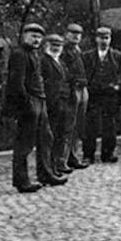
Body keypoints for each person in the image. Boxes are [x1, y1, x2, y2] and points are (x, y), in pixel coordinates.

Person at [4, 23, 67, 193]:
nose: (36, 40)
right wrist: (27, 104)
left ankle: (45, 174)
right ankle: (21, 180)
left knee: (46, 138)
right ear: (24, 36)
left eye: (39, 37)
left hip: (40, 100)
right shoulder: (19, 54)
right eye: (33, 36)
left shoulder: (34, 54)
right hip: (29, 103)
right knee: (24, 144)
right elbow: (17, 84)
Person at [81, 27, 121, 164]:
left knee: (110, 125)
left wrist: (118, 84)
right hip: (94, 95)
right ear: (96, 39)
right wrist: (87, 86)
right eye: (101, 38)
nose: (104, 41)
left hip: (111, 96)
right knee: (90, 125)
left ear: (110, 39)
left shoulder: (117, 56)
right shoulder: (87, 56)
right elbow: (82, 74)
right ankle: (88, 155)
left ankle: (108, 154)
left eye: (106, 38)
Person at [39, 33, 75, 177]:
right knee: (50, 137)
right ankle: (49, 168)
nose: (56, 48)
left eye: (59, 46)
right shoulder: (43, 61)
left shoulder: (61, 62)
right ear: (46, 45)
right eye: (53, 45)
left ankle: (57, 165)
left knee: (60, 135)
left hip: (63, 103)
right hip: (51, 103)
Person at [63, 23, 90, 170]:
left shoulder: (77, 50)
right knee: (69, 126)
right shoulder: (64, 51)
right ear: (66, 34)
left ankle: (73, 156)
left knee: (78, 125)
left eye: (78, 34)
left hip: (82, 88)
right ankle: (63, 159)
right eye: (72, 33)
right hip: (72, 89)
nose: (76, 36)